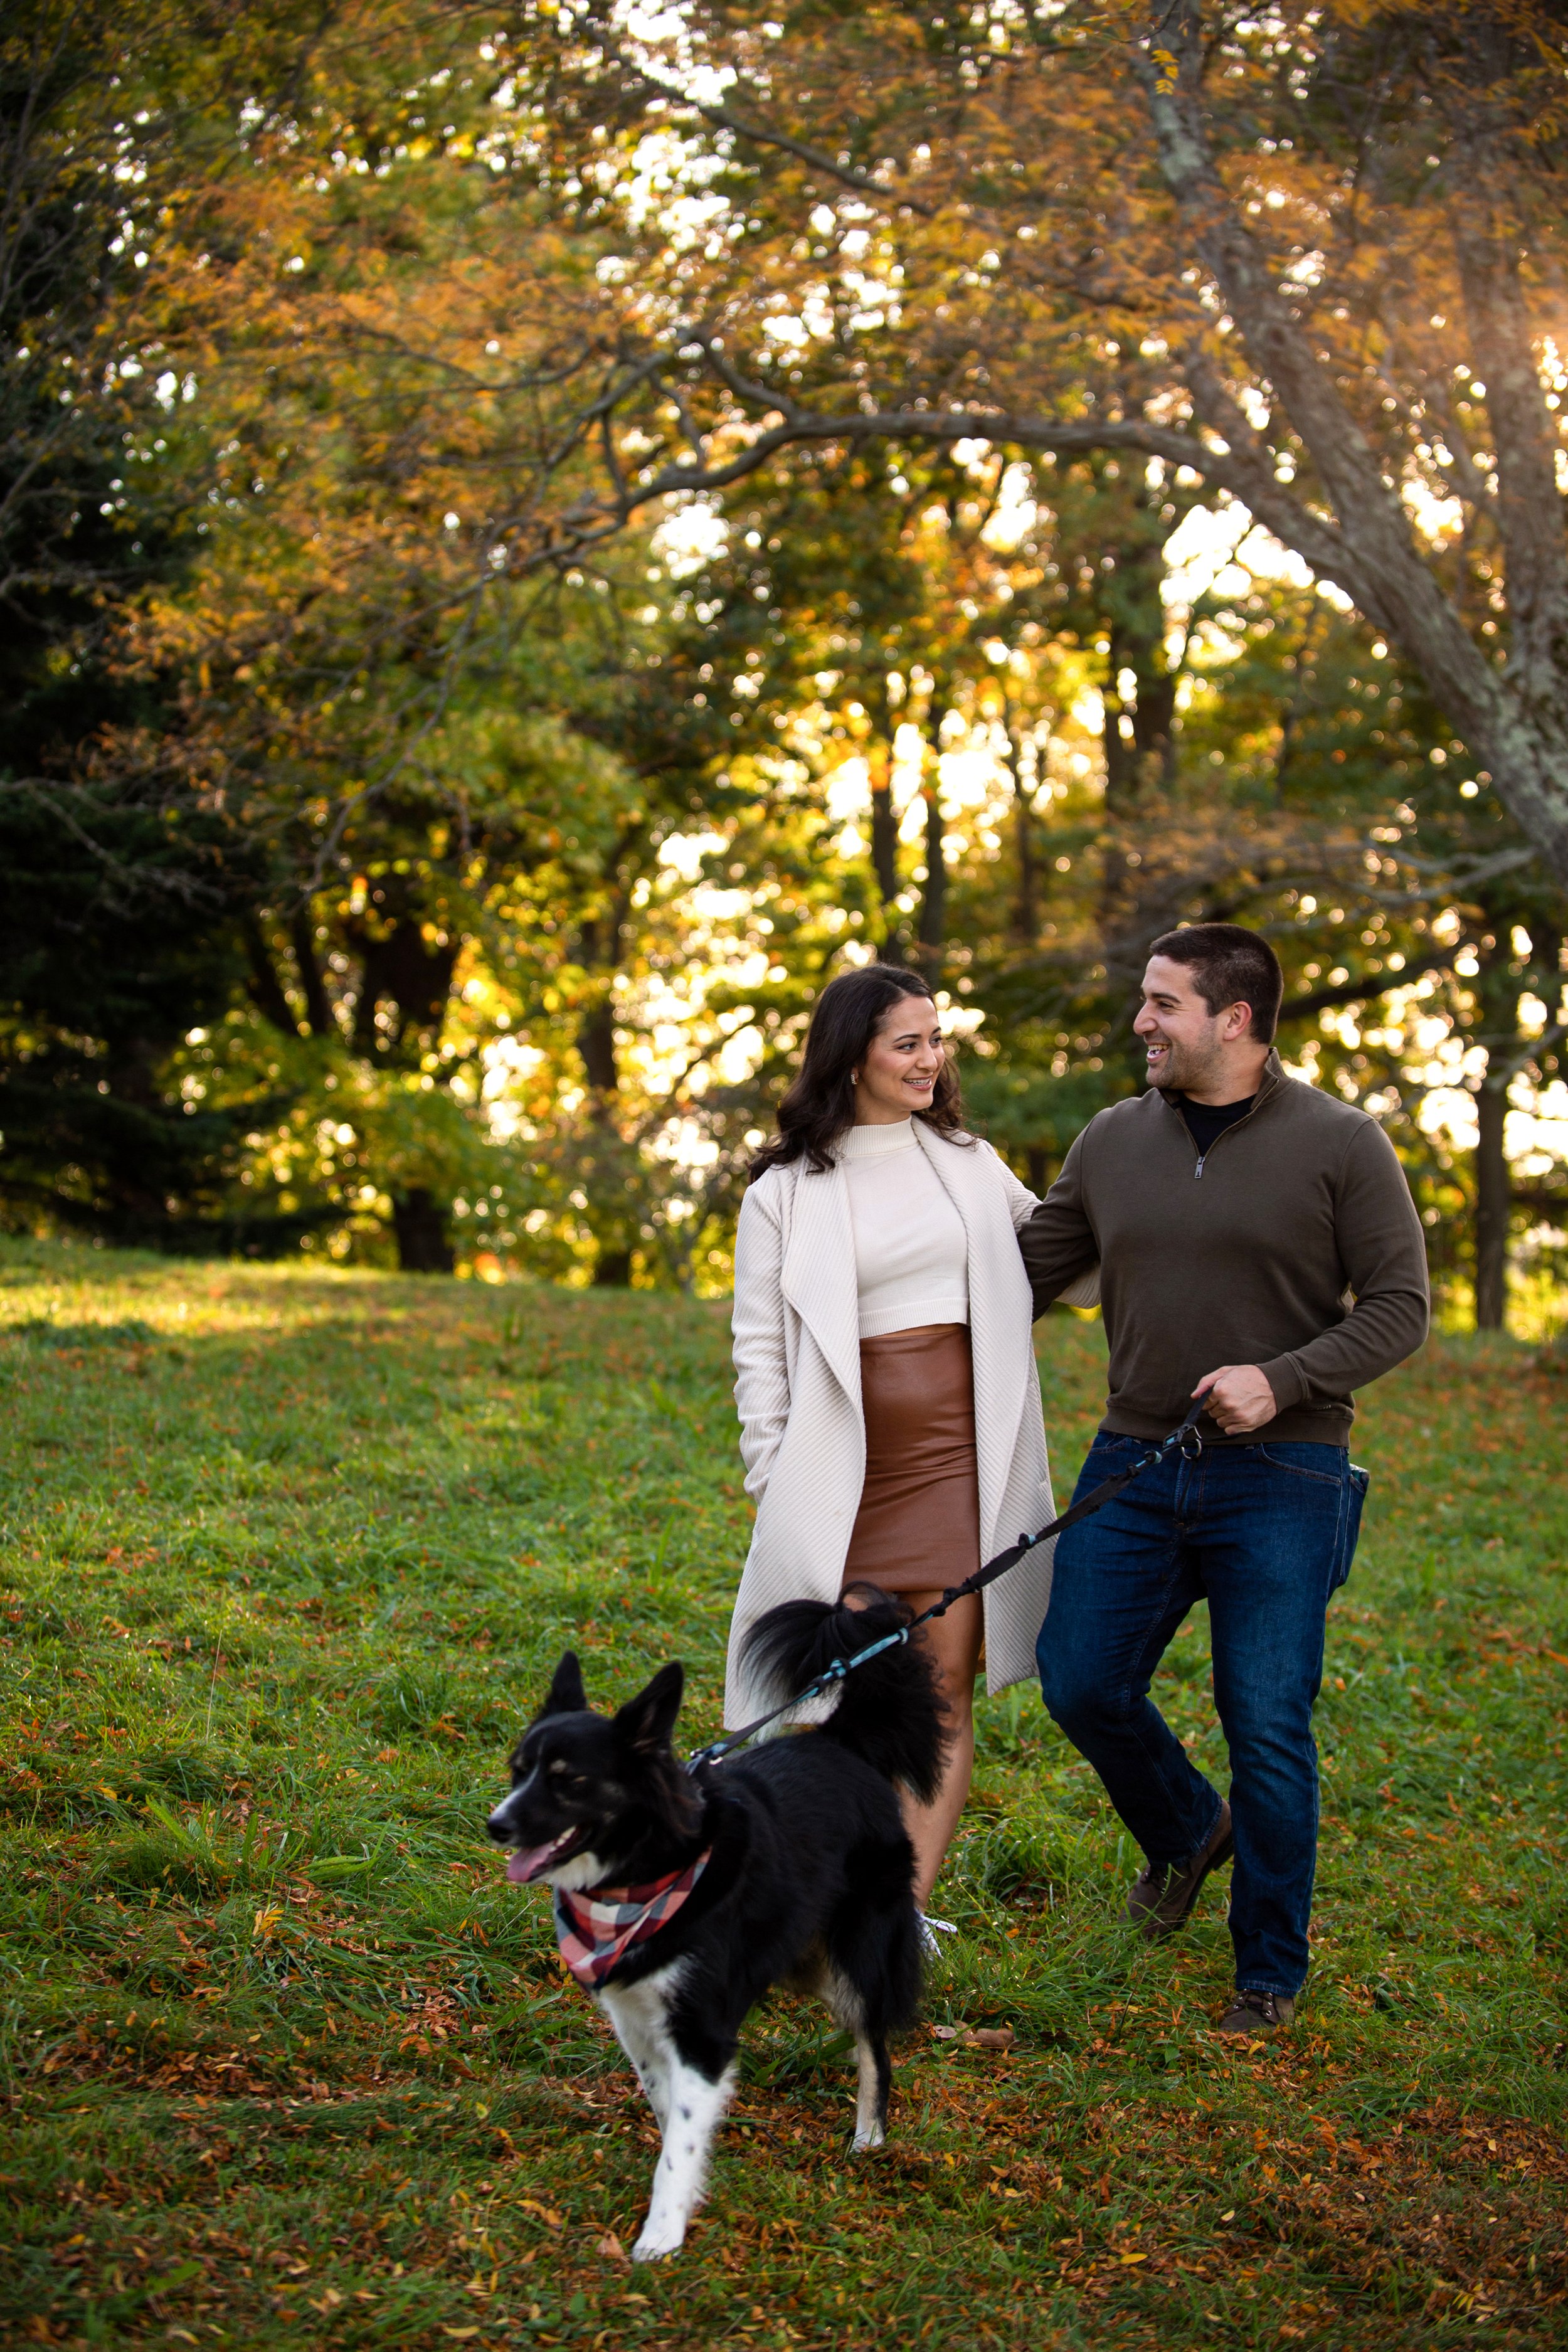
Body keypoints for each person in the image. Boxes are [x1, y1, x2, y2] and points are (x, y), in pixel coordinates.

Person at [1019, 923, 1429, 2035]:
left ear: (1233, 1018)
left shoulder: (1344, 1143)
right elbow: (1020, 1270)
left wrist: (1283, 1378)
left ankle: (1267, 1972)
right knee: (1080, 1678)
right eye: (1144, 1000)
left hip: (1287, 1473)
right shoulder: (1111, 1140)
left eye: (1162, 1003)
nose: (1140, 1021)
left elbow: (1403, 1307)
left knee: (1266, 1717)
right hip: (1137, 1458)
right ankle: (1190, 1829)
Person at [726, 965, 1079, 1944]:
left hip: (962, 1463)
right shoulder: (786, 1191)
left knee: (945, 1686)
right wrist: (774, 1476)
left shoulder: (966, 1160)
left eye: (937, 1039)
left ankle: (899, 1912)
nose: (932, 1059)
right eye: (909, 1043)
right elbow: (759, 1347)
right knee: (830, 1687)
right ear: (854, 1057)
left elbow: (1060, 1252)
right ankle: (816, 1889)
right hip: (845, 1473)